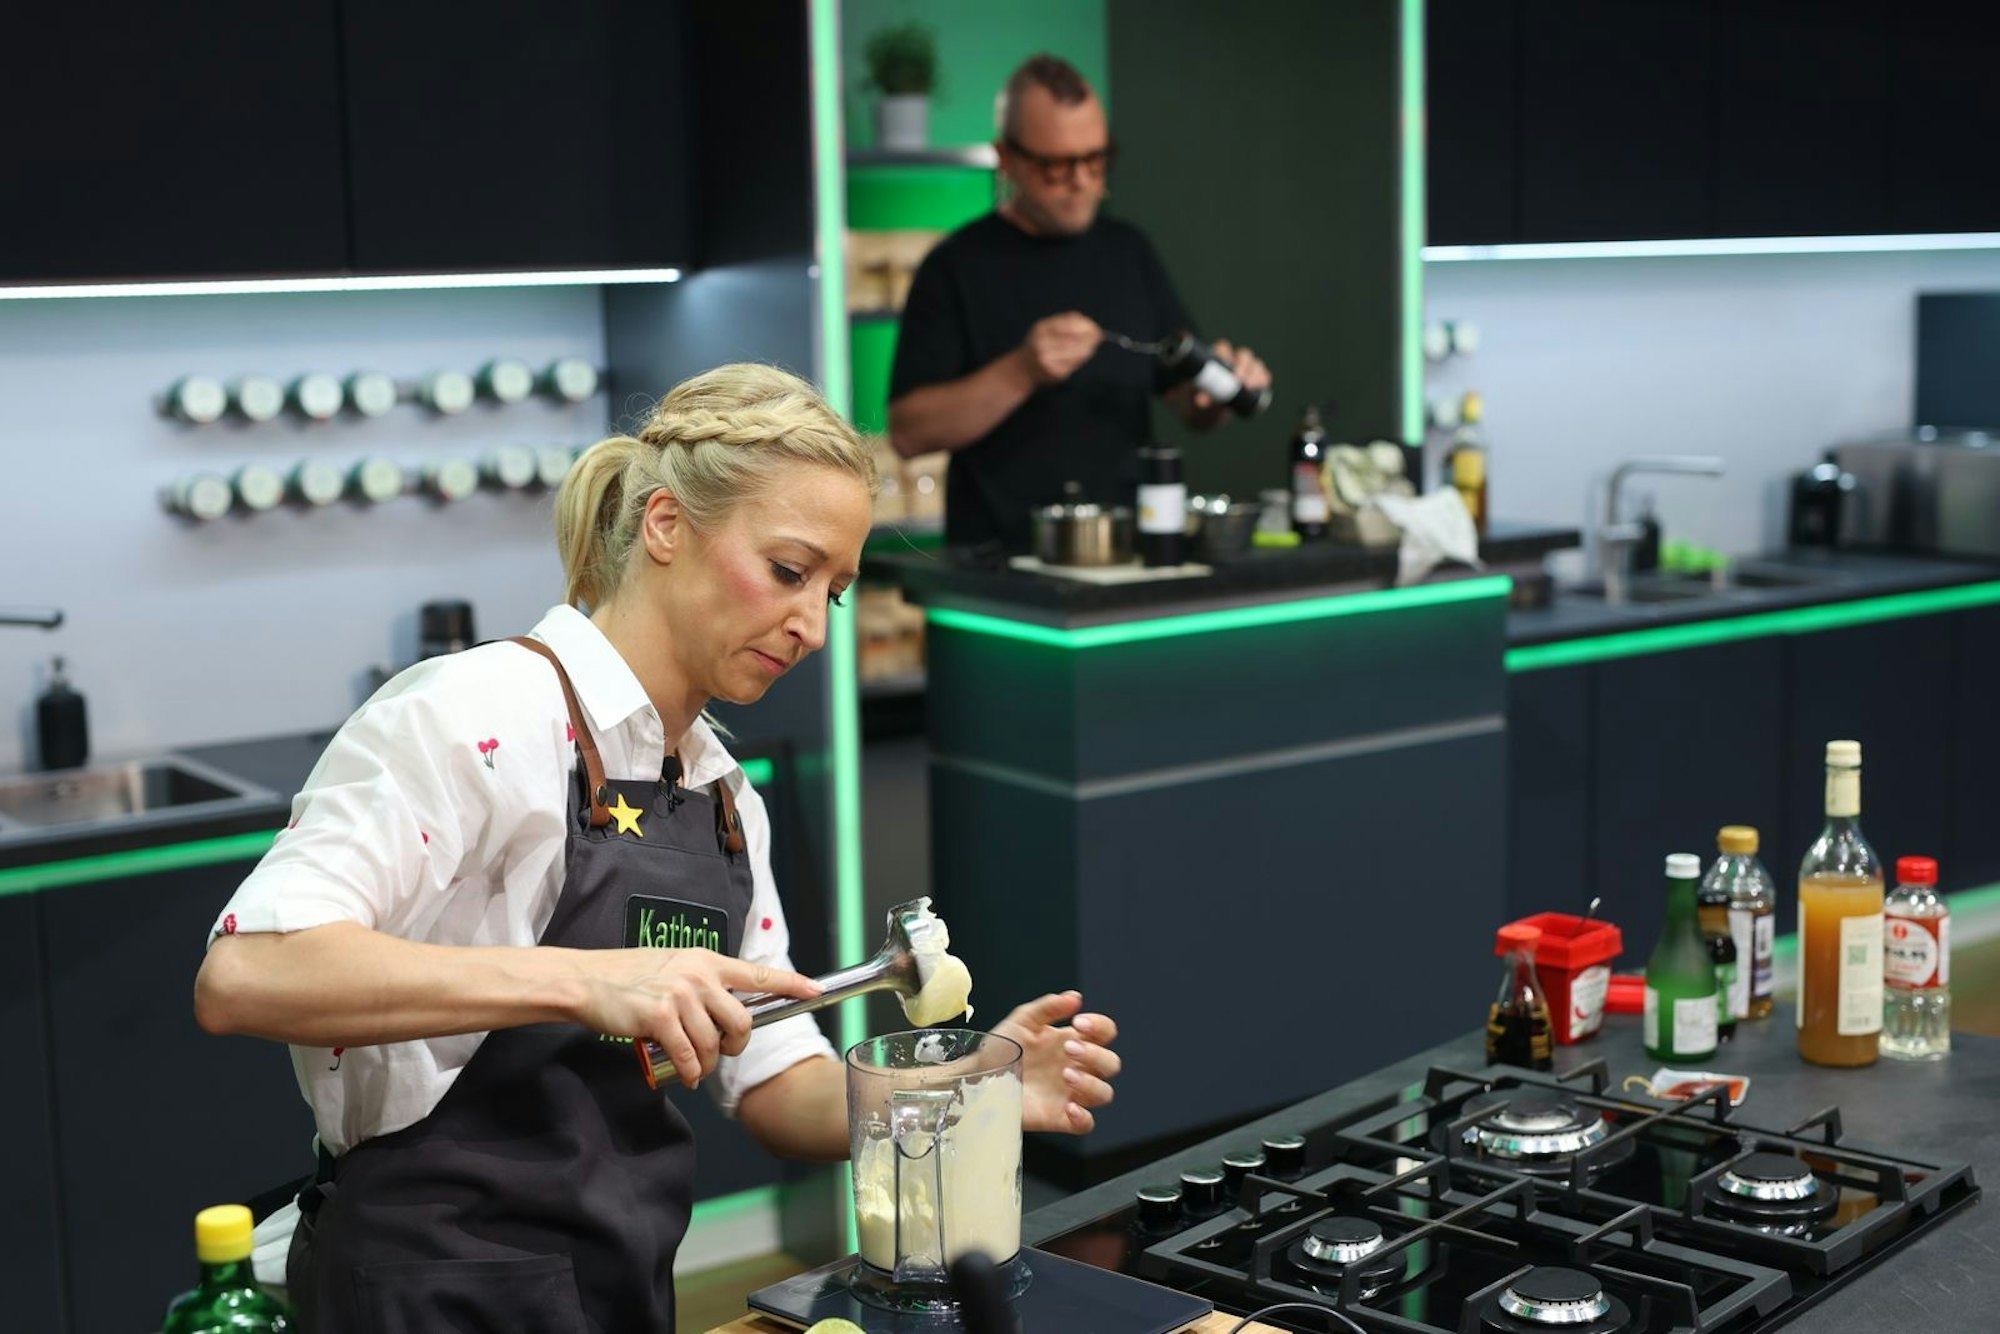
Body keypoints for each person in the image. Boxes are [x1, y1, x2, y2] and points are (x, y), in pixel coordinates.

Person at [193, 364, 1124, 1332]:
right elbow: (250, 969)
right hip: (429, 1290)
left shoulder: (721, 793)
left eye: (835, 593)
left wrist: (966, 1090)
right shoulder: (474, 713)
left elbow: (775, 1083)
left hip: (618, 1283)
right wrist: (584, 979)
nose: (810, 625)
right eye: (788, 569)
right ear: (666, 526)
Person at [887, 53, 1274, 552]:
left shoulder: (1128, 251)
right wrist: (1020, 371)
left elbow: (1185, 400)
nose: (1082, 182)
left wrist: (1213, 392)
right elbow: (910, 432)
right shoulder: (955, 266)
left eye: (1095, 160)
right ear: (1007, 159)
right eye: (1057, 166)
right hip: (999, 563)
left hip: (1125, 552)